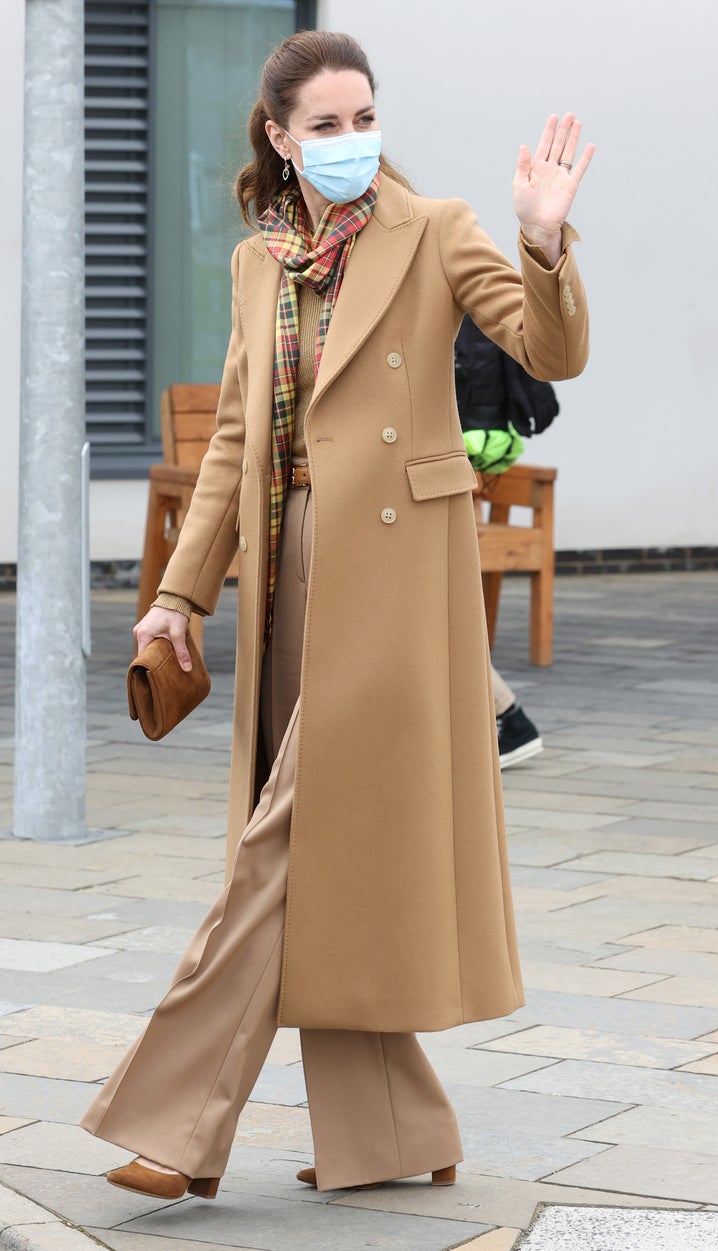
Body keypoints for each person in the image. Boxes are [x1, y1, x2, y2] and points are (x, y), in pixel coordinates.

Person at [80, 29, 593, 1201]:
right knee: (330, 858)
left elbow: (546, 344)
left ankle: (175, 1122)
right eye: (326, 124)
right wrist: (174, 598)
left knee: (285, 848)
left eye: (366, 117)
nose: (354, 140)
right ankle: (398, 1135)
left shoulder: (441, 228)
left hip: (400, 586)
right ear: (279, 136)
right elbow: (231, 449)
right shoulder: (265, 264)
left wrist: (546, 238)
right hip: (288, 571)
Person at [454, 315, 560, 768]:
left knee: (432, 606)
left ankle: (505, 718)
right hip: (466, 458)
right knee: (434, 604)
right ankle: (501, 718)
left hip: (446, 462)